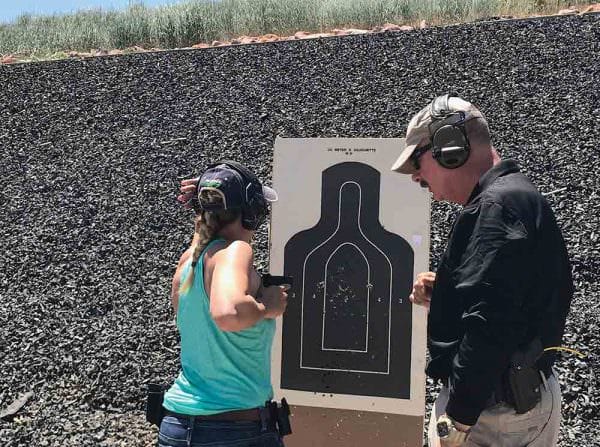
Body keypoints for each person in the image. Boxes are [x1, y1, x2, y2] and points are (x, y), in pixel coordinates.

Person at [391, 95, 573, 447]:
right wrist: (451, 294)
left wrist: (457, 422)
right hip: (512, 401)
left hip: (494, 416)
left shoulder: (496, 207)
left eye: (418, 160)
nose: (416, 176)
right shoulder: (512, 197)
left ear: (450, 147)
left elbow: (491, 324)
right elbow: (515, 296)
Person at [160, 160, 289, 447]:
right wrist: (269, 306)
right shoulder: (235, 251)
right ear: (252, 213)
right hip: (234, 429)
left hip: (177, 427)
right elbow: (228, 313)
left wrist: (205, 199)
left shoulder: (188, 262)